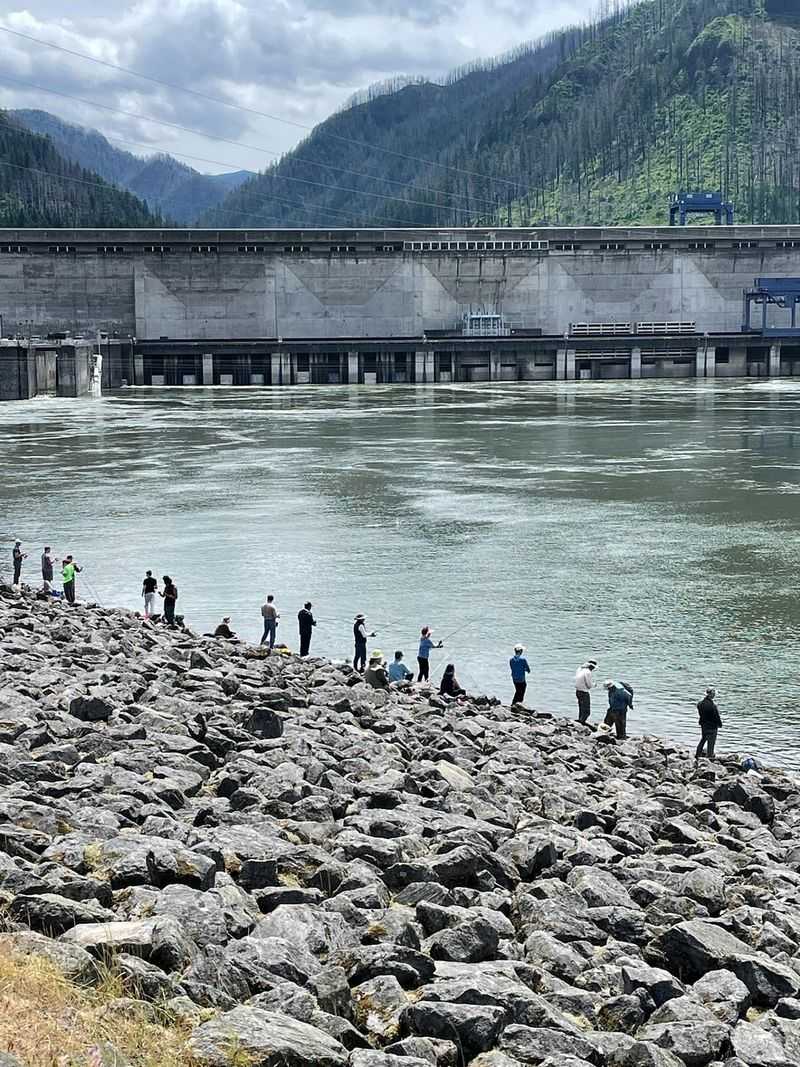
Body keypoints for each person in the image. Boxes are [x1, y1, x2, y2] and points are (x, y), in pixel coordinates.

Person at [696, 687, 722, 760]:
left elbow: (701, 713)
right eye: (713, 694)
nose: (714, 695)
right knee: (711, 743)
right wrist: (720, 724)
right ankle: (710, 757)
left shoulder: (700, 704)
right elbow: (716, 717)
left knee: (703, 739)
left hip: (703, 725)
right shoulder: (713, 706)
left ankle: (698, 754)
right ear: (710, 695)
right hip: (712, 726)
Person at [575, 659, 598, 724]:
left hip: (578, 691)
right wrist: (594, 685)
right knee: (586, 711)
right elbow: (589, 685)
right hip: (584, 692)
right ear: (591, 667)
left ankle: (580, 720)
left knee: (581, 708)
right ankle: (582, 723)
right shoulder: (588, 672)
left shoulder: (579, 669)